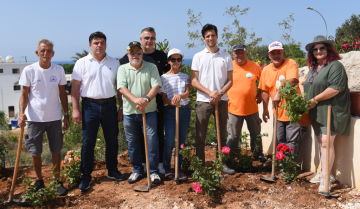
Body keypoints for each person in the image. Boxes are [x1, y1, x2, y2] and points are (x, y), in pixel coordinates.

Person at [71, 31, 125, 192]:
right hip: (89, 107)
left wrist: (121, 107)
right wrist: (75, 109)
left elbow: (120, 87)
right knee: (88, 143)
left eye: (102, 42)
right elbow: (74, 87)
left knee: (112, 140)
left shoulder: (115, 62)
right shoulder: (81, 63)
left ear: (106, 45)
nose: (99, 45)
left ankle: (112, 170)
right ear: (90, 45)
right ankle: (86, 175)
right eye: (96, 43)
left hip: (110, 105)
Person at [18, 39, 69, 196]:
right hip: (34, 119)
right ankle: (39, 180)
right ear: (37, 53)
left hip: (54, 117)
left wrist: (66, 115)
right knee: (35, 151)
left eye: (48, 51)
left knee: (56, 150)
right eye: (43, 51)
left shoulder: (58, 70)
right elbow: (24, 95)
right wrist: (21, 113)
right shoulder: (29, 70)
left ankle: (56, 181)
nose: (45, 53)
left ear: (53, 53)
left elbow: (62, 94)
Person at [304, 35, 350, 193]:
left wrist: (314, 100)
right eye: (315, 49)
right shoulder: (313, 68)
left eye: (322, 48)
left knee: (326, 143)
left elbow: (335, 88)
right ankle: (325, 172)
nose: (318, 51)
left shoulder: (335, 66)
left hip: (330, 109)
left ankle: (325, 177)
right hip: (316, 110)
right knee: (321, 142)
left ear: (328, 49)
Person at [119, 27, 169, 174]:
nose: (149, 41)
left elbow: (166, 76)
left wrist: (146, 99)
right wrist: (134, 101)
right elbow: (121, 86)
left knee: (156, 135)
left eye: (152, 38)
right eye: (146, 38)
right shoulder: (124, 62)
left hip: (155, 103)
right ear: (141, 40)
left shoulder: (160, 56)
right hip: (132, 107)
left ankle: (157, 165)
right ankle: (141, 166)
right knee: (136, 140)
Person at [190, 24, 234, 174]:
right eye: (207, 36)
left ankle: (221, 164)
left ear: (217, 36)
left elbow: (230, 80)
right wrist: (210, 93)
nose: (210, 38)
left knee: (221, 134)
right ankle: (200, 166)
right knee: (200, 135)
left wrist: (219, 94)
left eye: (213, 35)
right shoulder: (198, 56)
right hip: (203, 101)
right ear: (203, 38)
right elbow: (194, 80)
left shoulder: (226, 56)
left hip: (222, 100)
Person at [259, 41, 306, 163]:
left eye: (278, 52)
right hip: (278, 112)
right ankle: (281, 166)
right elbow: (264, 91)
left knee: (292, 141)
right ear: (269, 56)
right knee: (280, 141)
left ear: (283, 53)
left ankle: (289, 168)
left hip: (292, 111)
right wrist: (265, 110)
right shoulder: (266, 70)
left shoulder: (290, 63)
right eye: (273, 53)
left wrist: (279, 92)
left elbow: (293, 80)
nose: (276, 55)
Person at [226, 44, 267, 163]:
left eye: (242, 52)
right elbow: (222, 83)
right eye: (237, 53)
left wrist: (259, 94)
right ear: (233, 55)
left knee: (256, 133)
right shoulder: (229, 66)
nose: (240, 55)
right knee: (233, 136)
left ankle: (258, 154)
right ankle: (231, 157)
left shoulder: (255, 66)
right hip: (233, 108)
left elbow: (262, 83)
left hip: (252, 107)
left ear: (247, 54)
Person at [160, 48, 190, 180]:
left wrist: (179, 97)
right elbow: (164, 98)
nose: (176, 62)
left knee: (181, 141)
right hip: (171, 111)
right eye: (173, 59)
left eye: (179, 59)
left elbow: (187, 93)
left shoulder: (185, 76)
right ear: (168, 61)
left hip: (184, 110)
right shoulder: (164, 77)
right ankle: (167, 168)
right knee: (170, 141)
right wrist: (173, 102)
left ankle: (179, 168)